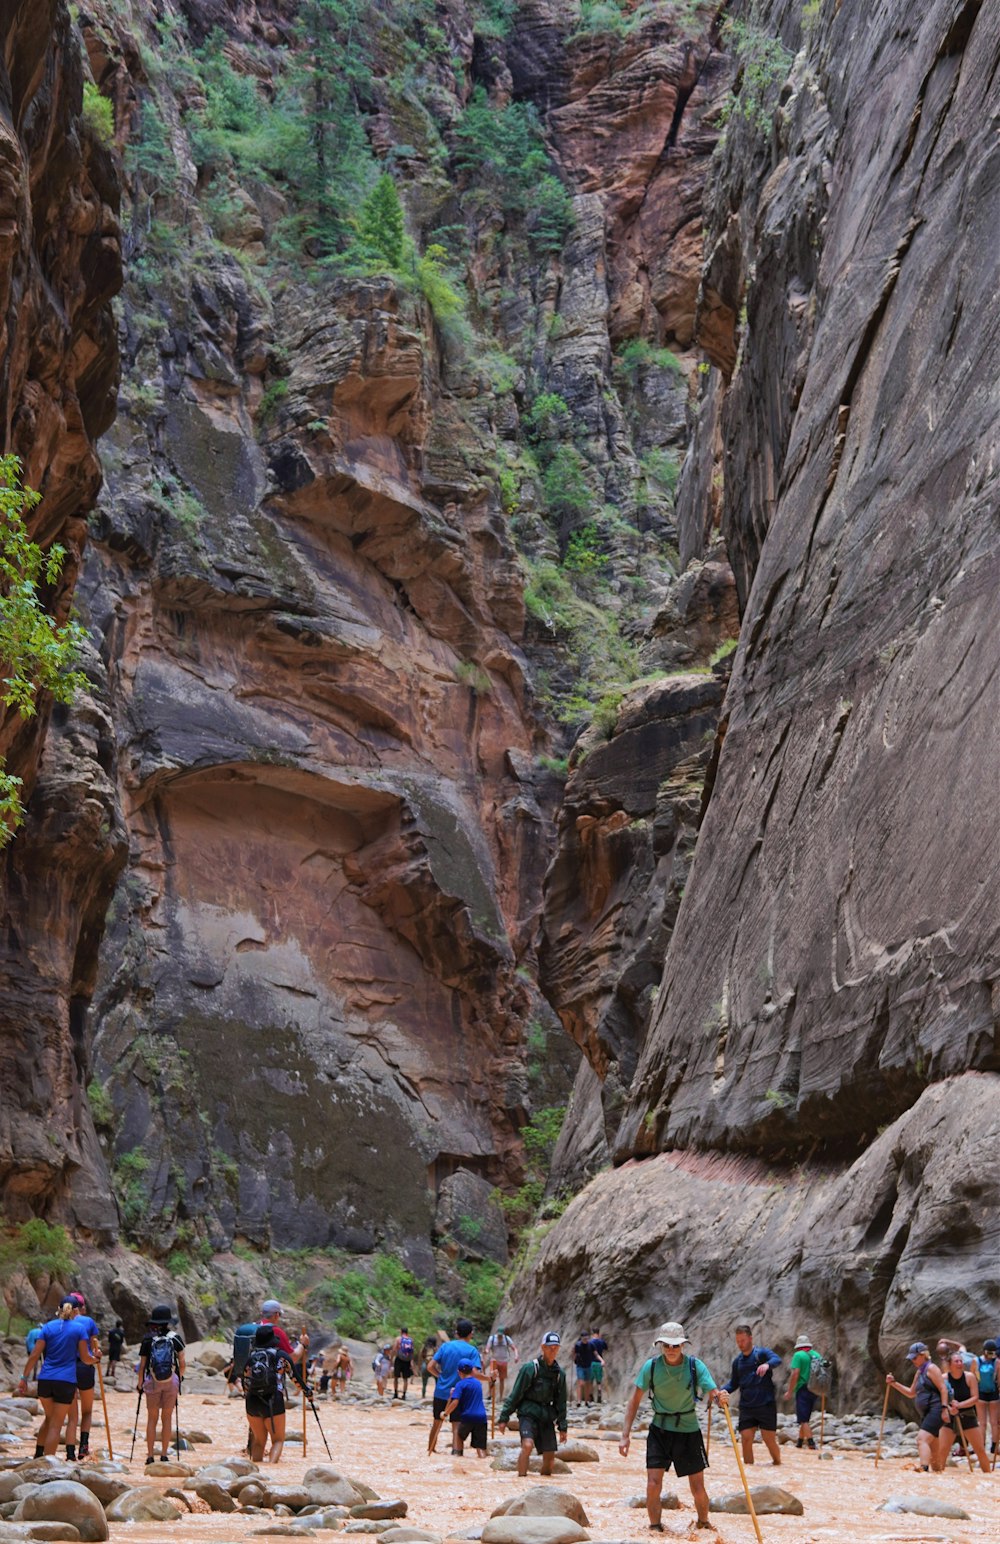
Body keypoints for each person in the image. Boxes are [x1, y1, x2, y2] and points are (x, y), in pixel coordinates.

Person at [619, 1321, 726, 1532]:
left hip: (688, 1431)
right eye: (666, 1345)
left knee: (697, 1487)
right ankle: (655, 1528)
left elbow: (713, 1393)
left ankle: (704, 1523)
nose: (671, 1349)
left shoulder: (695, 1366)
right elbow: (634, 1401)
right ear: (660, 1345)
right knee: (653, 1484)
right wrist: (625, 1435)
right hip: (659, 1430)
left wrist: (720, 1397)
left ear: (683, 1346)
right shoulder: (652, 1367)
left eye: (675, 1345)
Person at [18, 1298, 97, 1457]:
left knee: (49, 1419)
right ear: (76, 1311)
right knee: (55, 1425)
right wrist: (96, 1358)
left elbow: (34, 1355)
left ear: (59, 1309)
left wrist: (24, 1378)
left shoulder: (47, 1327)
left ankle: (38, 1456)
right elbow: (85, 1358)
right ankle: (48, 1464)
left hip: (45, 1380)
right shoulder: (79, 1329)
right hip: (65, 1381)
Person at [498, 1331, 568, 1478]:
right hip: (528, 1413)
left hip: (546, 1415)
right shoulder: (530, 1369)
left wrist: (563, 1427)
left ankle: (543, 1486)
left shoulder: (559, 1374)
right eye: (550, 1347)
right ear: (543, 1347)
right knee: (527, 1445)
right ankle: (521, 1480)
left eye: (556, 1347)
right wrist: (504, 1417)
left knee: (549, 1458)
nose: (553, 1350)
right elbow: (516, 1394)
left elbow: (561, 1401)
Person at [243, 1323, 310, 1464]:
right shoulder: (280, 1356)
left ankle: (256, 1473)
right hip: (273, 1401)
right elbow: (295, 1378)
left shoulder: (251, 1358)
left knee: (259, 1442)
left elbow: (245, 1382)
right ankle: (272, 1470)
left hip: (252, 1402)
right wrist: (308, 1393)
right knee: (278, 1440)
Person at [886, 1341, 953, 1471]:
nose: (913, 1361)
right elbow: (911, 1393)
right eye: (911, 1358)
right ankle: (938, 1476)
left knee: (921, 1440)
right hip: (927, 1413)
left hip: (936, 1409)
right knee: (934, 1450)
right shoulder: (919, 1372)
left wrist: (945, 1409)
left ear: (923, 1355)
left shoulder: (932, 1368)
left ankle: (923, 1470)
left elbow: (943, 1389)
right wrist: (894, 1383)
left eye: (915, 1358)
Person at [722, 1324, 782, 1466]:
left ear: (750, 1338)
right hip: (747, 1406)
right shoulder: (737, 1362)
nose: (740, 1344)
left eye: (743, 1340)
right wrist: (721, 1391)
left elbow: (777, 1359)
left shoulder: (761, 1354)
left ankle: (778, 1463)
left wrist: (767, 1365)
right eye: (738, 1341)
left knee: (769, 1439)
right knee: (746, 1438)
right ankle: (749, 1470)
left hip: (765, 1404)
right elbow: (734, 1383)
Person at [137, 1305, 185, 1465]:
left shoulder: (148, 1340)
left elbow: (142, 1366)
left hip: (152, 1381)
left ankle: (150, 1456)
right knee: (167, 1418)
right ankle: (164, 1455)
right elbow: (182, 1363)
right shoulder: (175, 1338)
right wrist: (179, 1379)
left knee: (152, 1419)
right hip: (171, 1382)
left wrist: (139, 1384)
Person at [428, 1319, 482, 1456]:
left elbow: (430, 1366)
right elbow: (475, 1373)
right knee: (456, 1425)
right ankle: (456, 1453)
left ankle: (431, 1449)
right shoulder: (472, 1351)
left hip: (441, 1391)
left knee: (437, 1422)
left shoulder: (446, 1347)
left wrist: (440, 1376)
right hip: (461, 1394)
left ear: (456, 1333)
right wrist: (489, 1379)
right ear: (471, 1334)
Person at [65, 1293, 101, 1460]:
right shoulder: (87, 1322)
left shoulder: (59, 1323)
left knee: (72, 1416)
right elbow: (94, 1347)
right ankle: (83, 1447)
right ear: (80, 1307)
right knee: (87, 1411)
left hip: (68, 1369)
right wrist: (97, 1356)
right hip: (85, 1367)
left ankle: (70, 1452)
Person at [945, 1348, 989, 1470]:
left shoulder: (970, 1377)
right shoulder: (944, 1378)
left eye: (961, 1361)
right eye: (956, 1361)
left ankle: (989, 1476)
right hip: (949, 1417)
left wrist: (960, 1405)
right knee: (942, 1452)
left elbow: (975, 1398)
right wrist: (949, 1408)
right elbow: (941, 1399)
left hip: (967, 1415)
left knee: (980, 1450)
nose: (960, 1363)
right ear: (950, 1364)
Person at [443, 1358, 490, 1458]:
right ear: (473, 1370)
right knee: (480, 1447)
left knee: (459, 1436)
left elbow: (455, 1402)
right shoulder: (478, 1383)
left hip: (468, 1417)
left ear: (459, 1372)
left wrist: (445, 1413)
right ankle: (483, 1463)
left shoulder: (460, 1384)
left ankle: (458, 1456)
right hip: (482, 1418)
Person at [784, 1334, 817, 1448]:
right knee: (806, 1416)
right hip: (815, 1389)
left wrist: (790, 1391)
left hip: (803, 1389)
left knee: (803, 1419)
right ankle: (800, 1441)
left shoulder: (798, 1355)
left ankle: (811, 1443)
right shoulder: (816, 1354)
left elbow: (795, 1374)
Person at [976, 1338, 1000, 1454]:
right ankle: (994, 1447)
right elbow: (999, 1380)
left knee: (982, 1423)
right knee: (994, 1423)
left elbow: (975, 1378)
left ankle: (981, 1446)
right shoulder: (997, 1362)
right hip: (994, 1393)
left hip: (980, 1394)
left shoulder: (976, 1361)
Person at [485, 1327, 519, 1400]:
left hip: (504, 1361)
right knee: (491, 1377)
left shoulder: (507, 1339)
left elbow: (514, 1348)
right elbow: (487, 1348)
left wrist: (516, 1355)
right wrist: (487, 1351)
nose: (499, 1337)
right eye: (498, 1335)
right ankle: (490, 1394)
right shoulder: (492, 1338)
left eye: (501, 1336)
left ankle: (501, 1397)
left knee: (502, 1379)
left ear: (503, 1334)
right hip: (494, 1360)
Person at [573, 1331, 596, 1404]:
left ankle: (586, 1401)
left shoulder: (591, 1345)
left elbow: (596, 1353)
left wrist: (602, 1360)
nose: (585, 1340)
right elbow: (574, 1353)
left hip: (588, 1366)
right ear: (581, 1338)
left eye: (586, 1338)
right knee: (581, 1383)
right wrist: (574, 1359)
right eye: (584, 1338)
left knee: (588, 1383)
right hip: (580, 1366)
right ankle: (579, 1401)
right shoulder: (578, 1345)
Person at [392, 1326, 415, 1399]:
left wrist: (391, 1359)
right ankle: (404, 1395)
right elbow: (412, 1352)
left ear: (401, 1332)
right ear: (407, 1332)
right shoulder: (411, 1340)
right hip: (407, 1361)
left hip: (399, 1359)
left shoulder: (398, 1339)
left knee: (396, 1377)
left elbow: (394, 1349)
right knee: (405, 1379)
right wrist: (411, 1361)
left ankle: (396, 1393)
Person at [589, 1329, 608, 1404]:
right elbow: (606, 1348)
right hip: (599, 1363)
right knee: (599, 1381)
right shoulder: (601, 1342)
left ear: (592, 1334)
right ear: (598, 1333)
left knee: (590, 1380)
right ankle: (599, 1394)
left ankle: (591, 1396)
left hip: (591, 1362)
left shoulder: (590, 1342)